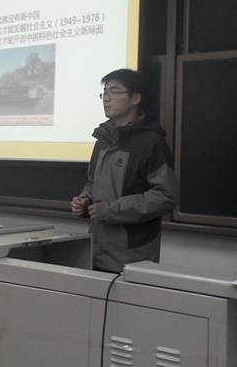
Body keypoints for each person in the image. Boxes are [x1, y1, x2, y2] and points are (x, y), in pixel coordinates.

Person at [70, 69, 177, 273]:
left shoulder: (151, 142)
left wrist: (110, 209)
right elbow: (93, 183)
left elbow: (165, 196)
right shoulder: (103, 139)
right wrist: (84, 200)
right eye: (104, 93)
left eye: (114, 91)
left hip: (132, 254)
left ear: (135, 98)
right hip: (96, 248)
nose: (106, 98)